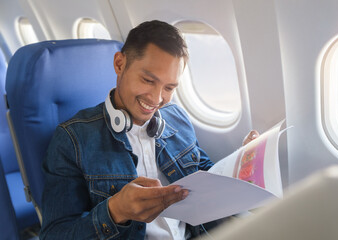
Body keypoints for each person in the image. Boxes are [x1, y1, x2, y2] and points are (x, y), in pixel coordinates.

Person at [40, 20, 258, 240]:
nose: (156, 98)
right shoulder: (72, 139)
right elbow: (54, 234)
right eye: (147, 80)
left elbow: (207, 176)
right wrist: (116, 211)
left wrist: (240, 166)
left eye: (169, 87)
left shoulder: (177, 118)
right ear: (119, 64)